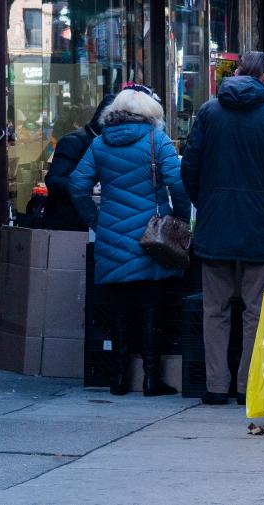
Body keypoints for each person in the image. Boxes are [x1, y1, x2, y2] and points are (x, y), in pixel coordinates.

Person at [180, 50, 264, 406]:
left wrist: (207, 202)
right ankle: (248, 383)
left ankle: (216, 385)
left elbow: (189, 166)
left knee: (214, 310)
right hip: (260, 225)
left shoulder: (208, 111)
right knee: (254, 311)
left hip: (215, 223)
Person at [68, 85, 190, 396]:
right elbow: (178, 184)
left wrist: (97, 221)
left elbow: (78, 185)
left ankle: (118, 379)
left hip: (111, 236)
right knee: (152, 307)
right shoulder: (156, 141)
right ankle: (151, 379)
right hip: (151, 239)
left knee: (118, 308)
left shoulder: (99, 143)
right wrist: (178, 222)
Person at [39, 94, 117, 230]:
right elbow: (54, 180)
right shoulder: (72, 142)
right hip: (69, 223)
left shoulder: (107, 144)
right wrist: (88, 187)